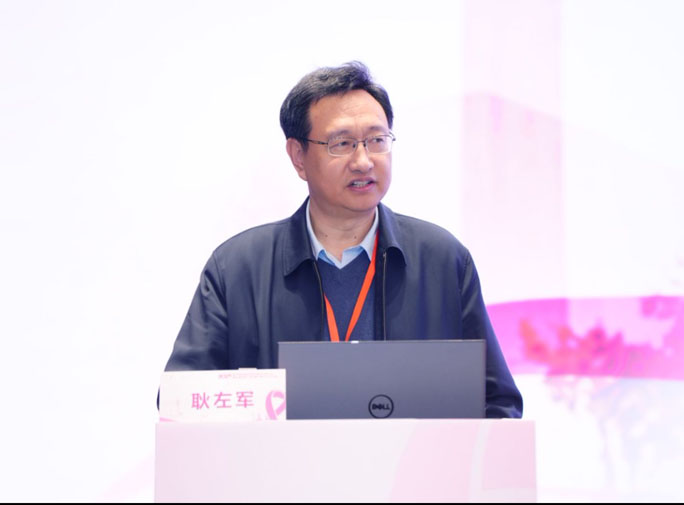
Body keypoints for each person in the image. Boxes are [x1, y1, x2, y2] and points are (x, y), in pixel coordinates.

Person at [162, 61, 523, 418]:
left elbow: (497, 405)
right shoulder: (237, 269)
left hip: (410, 460)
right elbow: (181, 404)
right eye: (342, 143)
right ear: (298, 157)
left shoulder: (442, 260)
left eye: (377, 140)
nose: (363, 161)